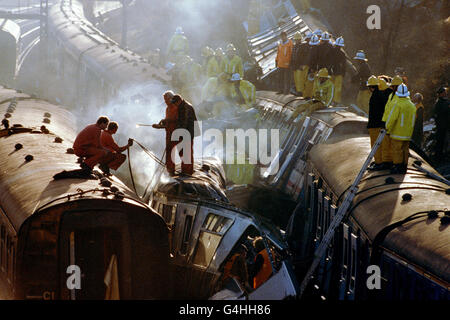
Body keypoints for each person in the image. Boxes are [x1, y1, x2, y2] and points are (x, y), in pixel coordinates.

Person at [385, 84, 416, 174]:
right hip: (408, 133)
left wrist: (387, 127)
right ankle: (404, 166)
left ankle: (398, 166)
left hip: (397, 133)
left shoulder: (398, 105)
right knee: (405, 150)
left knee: (397, 150)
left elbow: (392, 118)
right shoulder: (412, 106)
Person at [366, 76, 391, 171]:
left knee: (375, 145)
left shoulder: (376, 96)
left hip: (375, 125)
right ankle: (382, 161)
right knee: (382, 144)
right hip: (380, 124)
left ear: (372, 87)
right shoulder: (382, 95)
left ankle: (379, 162)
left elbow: (374, 112)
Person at [154, 91, 179, 175]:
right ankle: (170, 170)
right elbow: (167, 123)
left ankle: (178, 170)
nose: (165, 102)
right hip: (169, 133)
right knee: (169, 152)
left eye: (166, 100)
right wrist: (159, 126)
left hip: (177, 132)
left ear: (171, 99)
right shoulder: (167, 109)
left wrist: (167, 121)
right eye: (164, 100)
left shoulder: (177, 108)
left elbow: (178, 120)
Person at [172, 94, 198, 175]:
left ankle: (187, 172)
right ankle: (185, 170)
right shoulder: (181, 106)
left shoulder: (185, 107)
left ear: (179, 101)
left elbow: (184, 122)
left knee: (186, 152)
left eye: (175, 103)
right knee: (183, 151)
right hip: (186, 131)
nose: (174, 104)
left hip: (188, 131)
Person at [433, 86, 449, 160]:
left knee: (442, 141)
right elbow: (438, 114)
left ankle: (441, 154)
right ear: (440, 94)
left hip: (444, 125)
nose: (445, 93)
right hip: (442, 125)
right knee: (440, 141)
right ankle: (439, 156)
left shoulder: (444, 102)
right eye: (444, 92)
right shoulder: (440, 102)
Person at [304, 34, 321, 98]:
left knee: (309, 83)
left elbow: (310, 60)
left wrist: (311, 68)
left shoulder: (311, 50)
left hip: (312, 69)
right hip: (316, 69)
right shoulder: (319, 50)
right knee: (315, 83)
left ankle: (308, 95)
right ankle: (313, 96)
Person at [330, 36, 346, 104]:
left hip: (331, 71)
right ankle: (335, 101)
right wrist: (343, 73)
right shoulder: (342, 54)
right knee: (337, 88)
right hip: (338, 72)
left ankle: (330, 99)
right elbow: (344, 65)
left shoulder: (331, 51)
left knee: (330, 86)